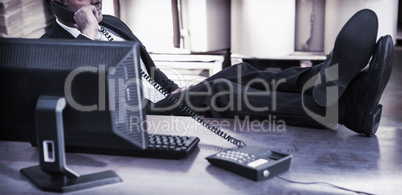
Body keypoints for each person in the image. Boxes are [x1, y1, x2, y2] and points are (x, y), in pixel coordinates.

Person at [42, 0, 393, 137]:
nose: (96, 0)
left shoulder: (114, 23)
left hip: (160, 100)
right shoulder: (51, 47)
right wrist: (87, 35)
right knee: (219, 93)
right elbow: (91, 94)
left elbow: (147, 67)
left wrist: (173, 91)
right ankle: (338, 105)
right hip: (134, 116)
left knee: (237, 72)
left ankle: (327, 81)